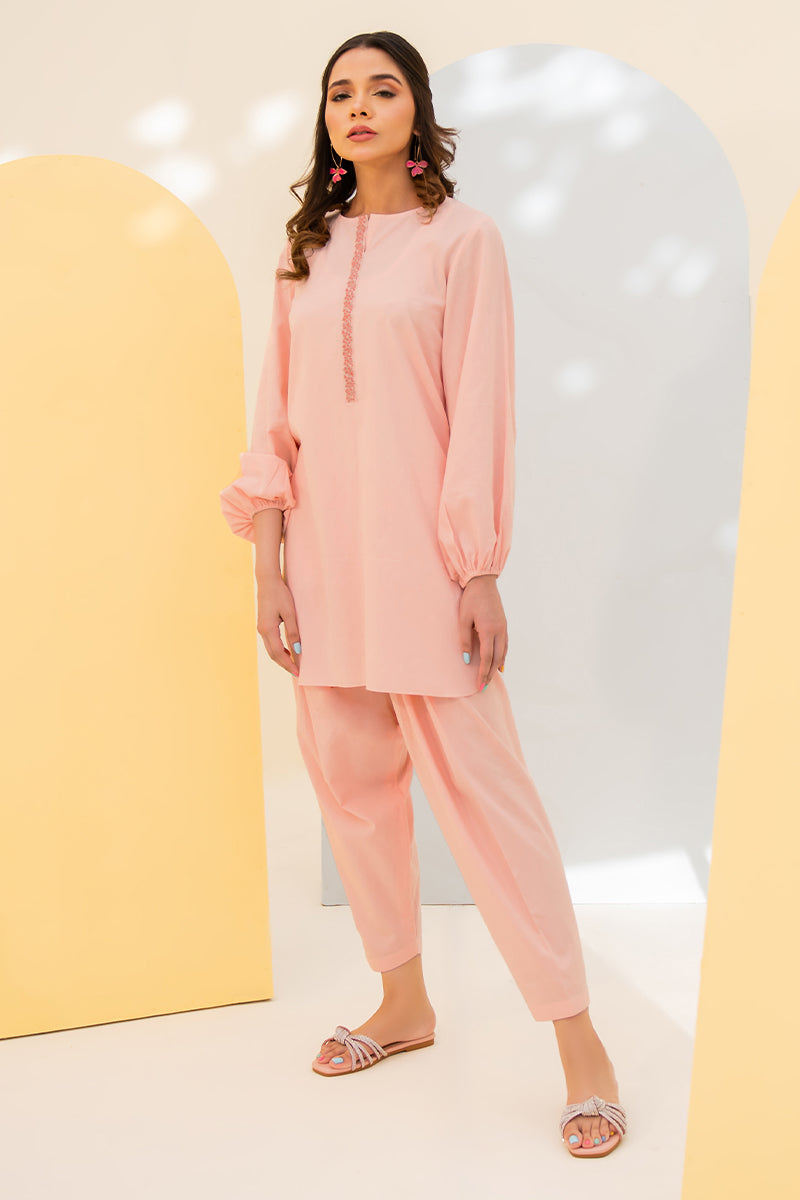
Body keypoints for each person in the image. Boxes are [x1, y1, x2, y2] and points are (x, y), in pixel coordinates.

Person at [219, 30, 627, 1159]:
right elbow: (274, 423)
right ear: (327, 120)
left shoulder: (463, 240)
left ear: (417, 111)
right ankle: (402, 1001)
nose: (357, 106)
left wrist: (477, 567)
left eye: (381, 88)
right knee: (352, 791)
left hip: (425, 568)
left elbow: (480, 408)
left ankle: (580, 1045)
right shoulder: (304, 254)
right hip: (322, 567)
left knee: (491, 804)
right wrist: (268, 565)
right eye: (339, 92)